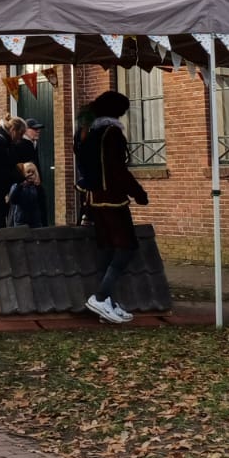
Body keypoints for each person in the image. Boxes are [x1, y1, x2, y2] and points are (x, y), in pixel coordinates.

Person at [75, 89, 149, 324]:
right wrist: (138, 192)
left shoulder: (85, 132)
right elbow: (117, 169)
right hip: (112, 198)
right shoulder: (111, 133)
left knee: (108, 248)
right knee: (126, 247)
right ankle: (101, 296)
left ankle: (106, 303)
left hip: (92, 198)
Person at [7, 160, 46, 228]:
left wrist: (37, 185)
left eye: (33, 172)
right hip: (20, 221)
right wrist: (21, 185)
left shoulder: (37, 187)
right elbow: (13, 200)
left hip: (35, 222)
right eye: (28, 172)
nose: (30, 174)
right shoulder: (17, 186)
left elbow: (42, 202)